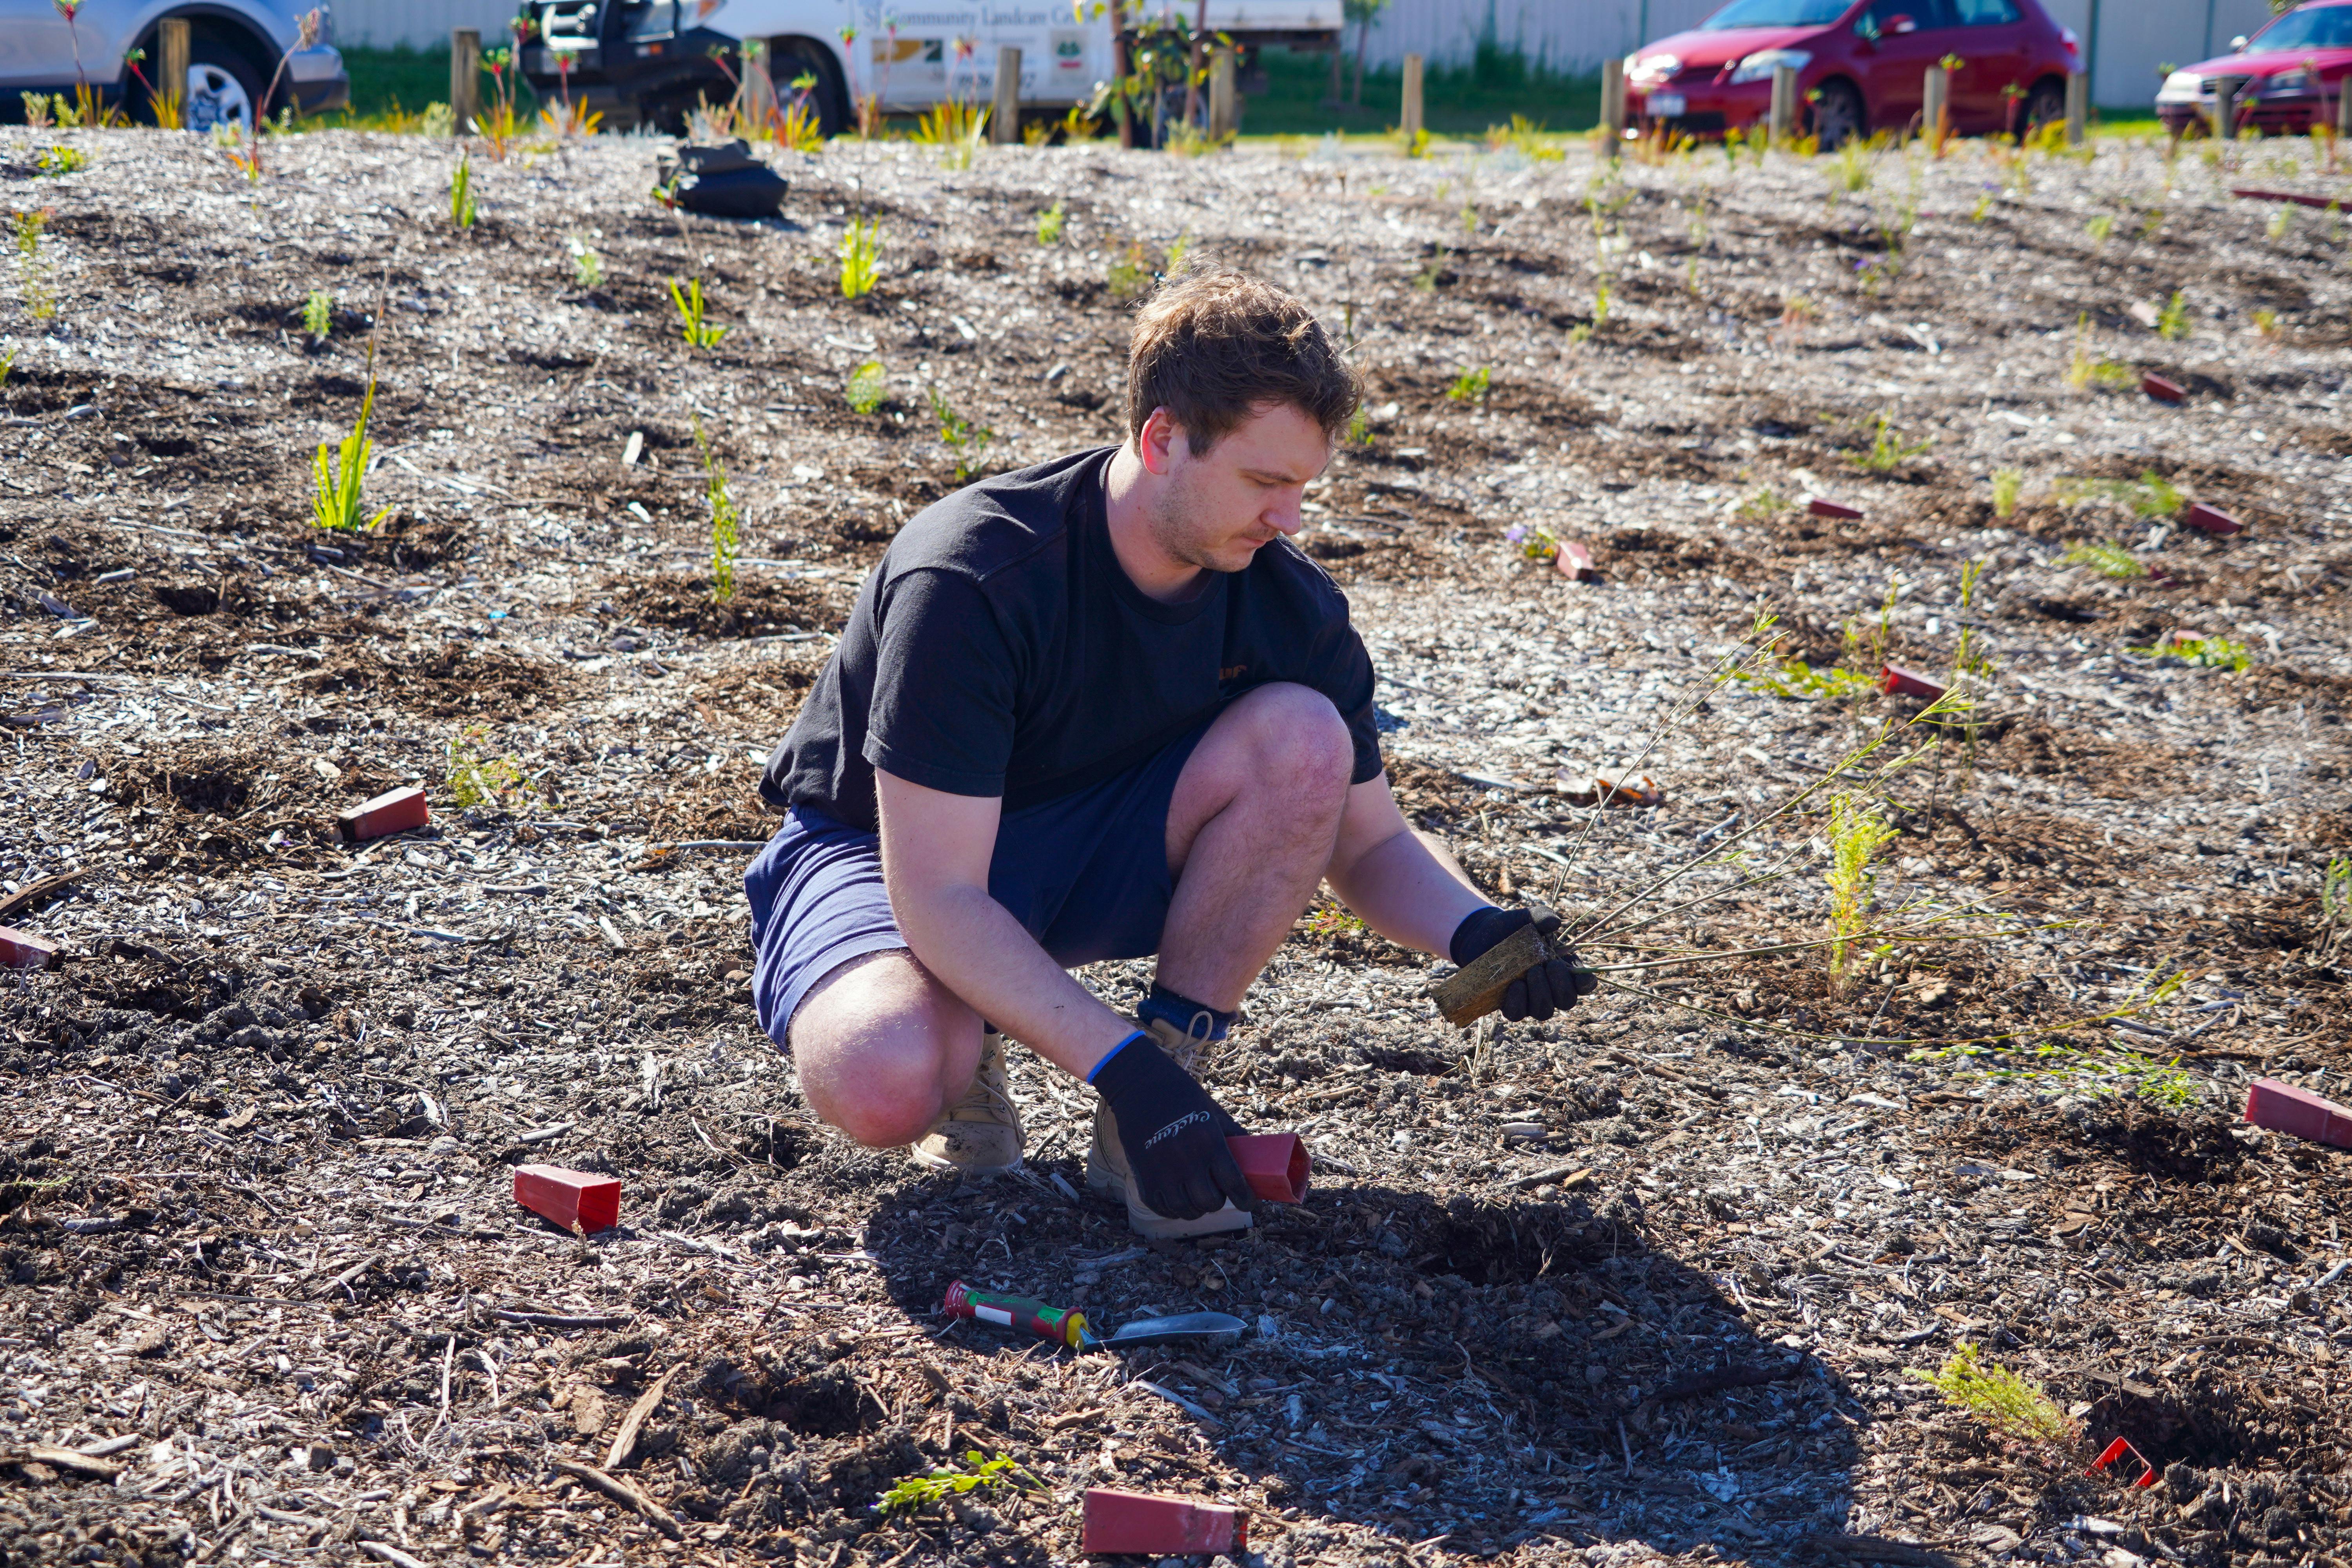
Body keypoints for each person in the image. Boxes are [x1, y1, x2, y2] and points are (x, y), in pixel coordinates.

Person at [744, 268, 1593, 1239]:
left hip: (1085, 850)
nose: (1290, 519)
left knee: (1306, 736)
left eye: (1304, 486)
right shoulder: (974, 575)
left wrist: (1478, 931)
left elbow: (1371, 844)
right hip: (888, 854)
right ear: (1161, 440)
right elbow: (938, 892)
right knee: (883, 1077)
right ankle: (982, 1048)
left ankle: (1161, 1089)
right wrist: (1120, 1062)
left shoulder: (1289, 605)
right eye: (1265, 482)